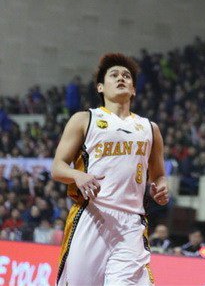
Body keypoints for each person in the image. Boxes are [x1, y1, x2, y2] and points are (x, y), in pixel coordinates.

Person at [51, 53, 169, 285]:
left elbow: (159, 175)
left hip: (131, 222)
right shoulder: (84, 119)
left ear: (134, 90)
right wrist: (77, 175)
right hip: (92, 214)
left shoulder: (149, 128)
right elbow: (57, 167)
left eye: (126, 76)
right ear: (100, 87)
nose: (121, 78)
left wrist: (162, 187)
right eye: (114, 75)